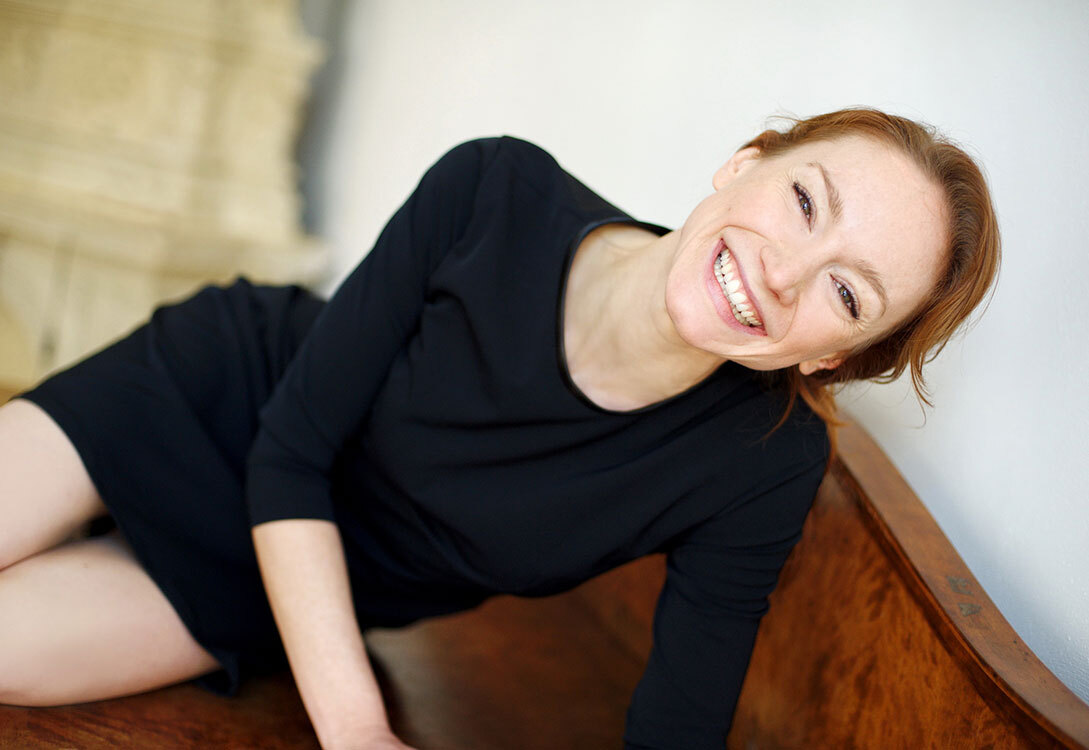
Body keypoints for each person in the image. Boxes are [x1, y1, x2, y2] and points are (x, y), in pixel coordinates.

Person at [0, 107, 1000, 749]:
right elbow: (291, 452)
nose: (783, 271)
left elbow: (678, 724)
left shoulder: (765, 463)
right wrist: (359, 732)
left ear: (831, 360)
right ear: (742, 163)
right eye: (803, 200)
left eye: (845, 293)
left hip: (296, 593)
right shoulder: (495, 191)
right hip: (211, 398)